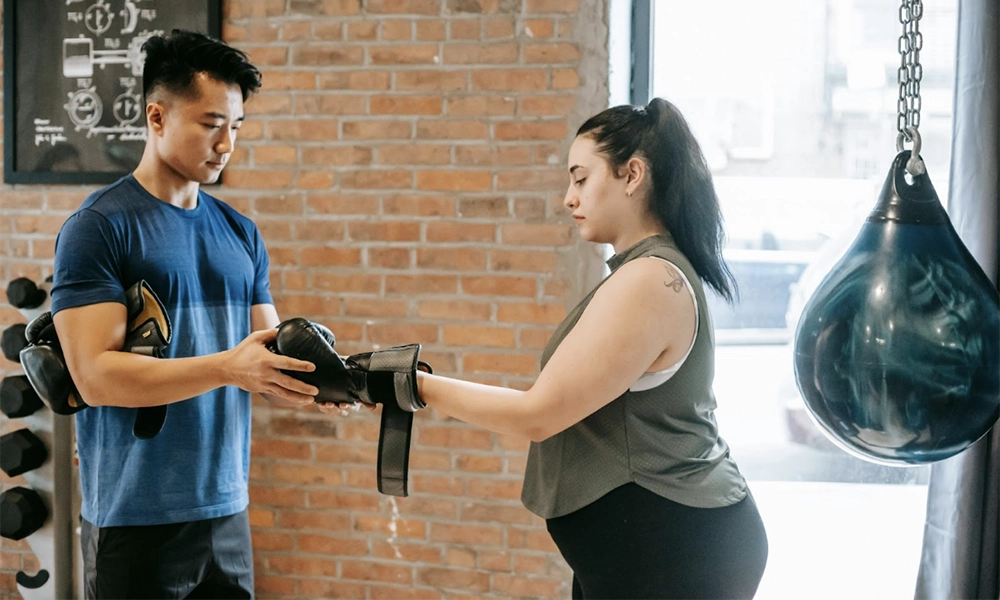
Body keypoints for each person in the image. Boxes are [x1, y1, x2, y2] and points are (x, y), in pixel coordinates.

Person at [325, 98, 769, 599]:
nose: (568, 198)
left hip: (672, 549)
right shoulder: (644, 272)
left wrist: (411, 383)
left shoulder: (649, 281)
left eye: (581, 179)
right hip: (646, 545)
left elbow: (537, 415)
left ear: (632, 175)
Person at [50, 30, 319, 600]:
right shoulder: (99, 227)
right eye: (211, 124)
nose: (227, 144)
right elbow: (95, 377)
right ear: (156, 116)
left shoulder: (240, 233)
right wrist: (227, 368)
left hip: (226, 509)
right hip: (135, 514)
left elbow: (265, 359)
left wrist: (333, 384)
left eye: (237, 126)